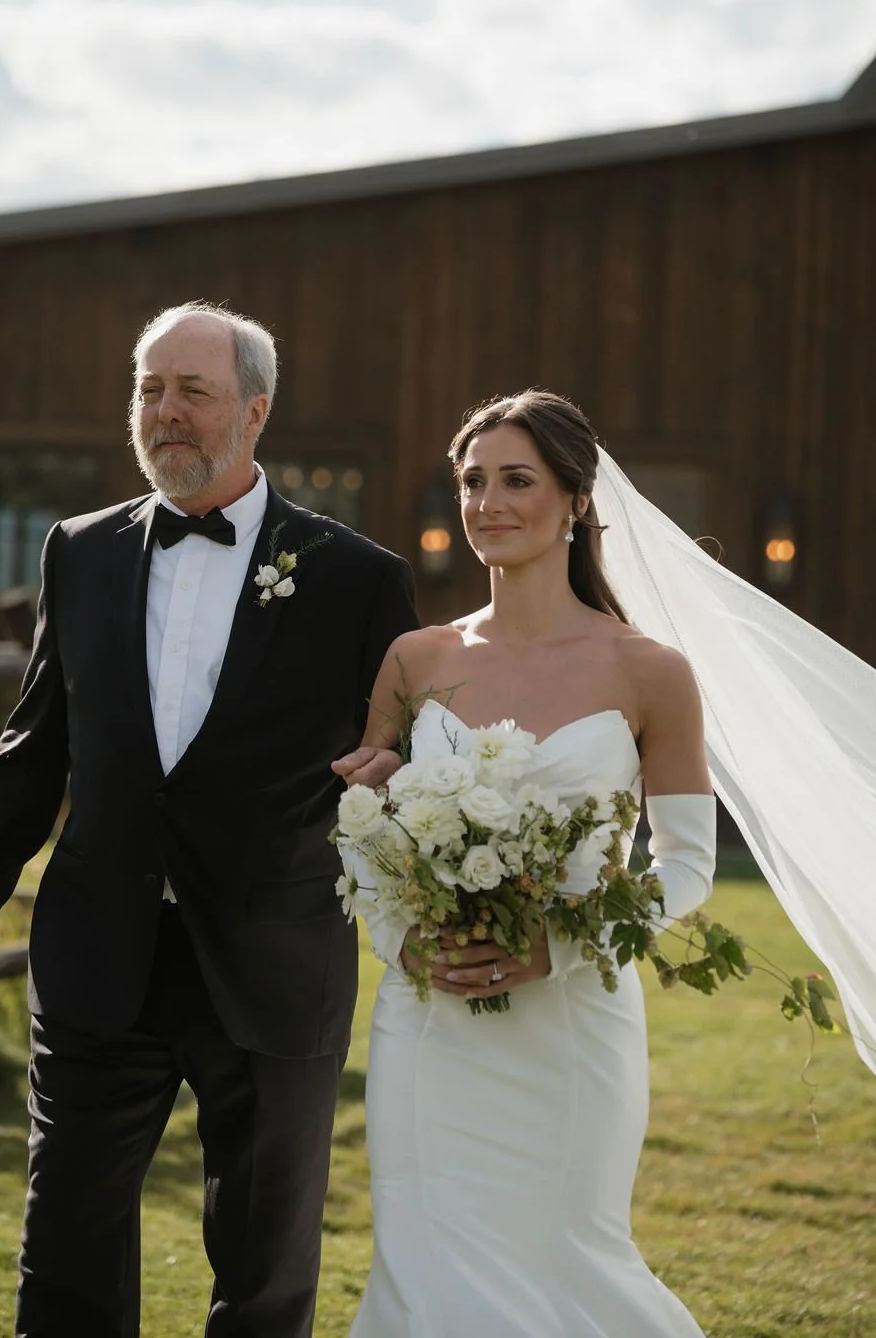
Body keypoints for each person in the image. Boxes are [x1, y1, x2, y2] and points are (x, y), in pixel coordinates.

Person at [0, 302, 416, 1338]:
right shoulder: (77, 552)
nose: (165, 413)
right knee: (67, 1261)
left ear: (255, 411)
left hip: (272, 965)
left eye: (194, 392)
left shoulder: (358, 579)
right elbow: (31, 753)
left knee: (265, 1277)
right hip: (100, 954)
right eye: (148, 389)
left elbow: (409, 767)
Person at [334, 389, 717, 1337]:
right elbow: (367, 827)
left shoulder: (649, 670)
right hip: (430, 1023)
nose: (488, 503)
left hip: (573, 1021)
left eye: (517, 480)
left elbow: (691, 864)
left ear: (577, 502)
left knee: (569, 1261)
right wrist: (404, 941)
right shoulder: (416, 659)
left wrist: (566, 943)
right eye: (472, 482)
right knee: (423, 1268)